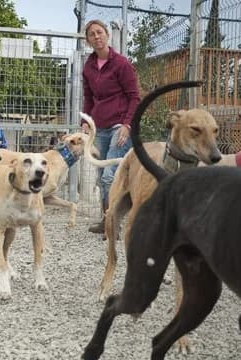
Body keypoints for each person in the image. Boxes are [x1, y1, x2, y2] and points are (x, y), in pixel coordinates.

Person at [81, 19, 140, 234]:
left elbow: (134, 97)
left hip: (119, 126)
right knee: (101, 176)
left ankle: (113, 223)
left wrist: (126, 125)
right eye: (92, 34)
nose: (96, 37)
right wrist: (85, 122)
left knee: (109, 176)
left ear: (107, 35)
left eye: (100, 32)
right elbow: (88, 97)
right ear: (88, 40)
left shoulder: (121, 64)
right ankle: (107, 220)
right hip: (99, 127)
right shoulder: (88, 66)